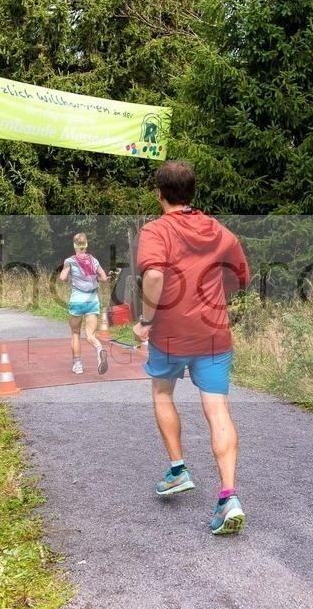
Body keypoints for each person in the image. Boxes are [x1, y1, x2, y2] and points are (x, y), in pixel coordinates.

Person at [133, 160, 250, 535]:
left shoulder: (156, 230)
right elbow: (240, 276)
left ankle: (178, 469)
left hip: (169, 333)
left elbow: (153, 274)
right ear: (192, 193)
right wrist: (214, 295)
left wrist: (147, 322)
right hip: (214, 333)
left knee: (162, 392)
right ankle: (228, 496)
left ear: (160, 193)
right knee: (217, 410)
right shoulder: (219, 231)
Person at [59, 233, 109, 375]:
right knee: (90, 335)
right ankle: (99, 350)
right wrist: (94, 278)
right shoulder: (94, 260)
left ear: (74, 245)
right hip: (92, 301)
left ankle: (78, 365)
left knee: (75, 333)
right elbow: (104, 278)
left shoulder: (70, 261)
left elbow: (63, 277)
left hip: (77, 300)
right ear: (86, 244)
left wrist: (68, 276)